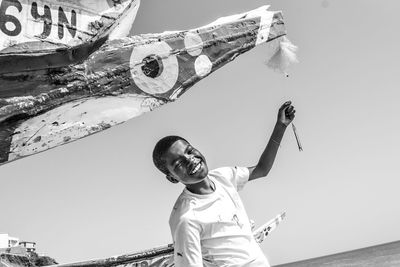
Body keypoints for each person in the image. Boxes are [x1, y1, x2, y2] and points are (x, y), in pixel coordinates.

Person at [152, 101, 296, 267]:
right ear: (172, 178)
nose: (190, 160)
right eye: (178, 164)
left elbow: (261, 169)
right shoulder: (186, 218)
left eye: (190, 151)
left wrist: (280, 126)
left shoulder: (223, 177)